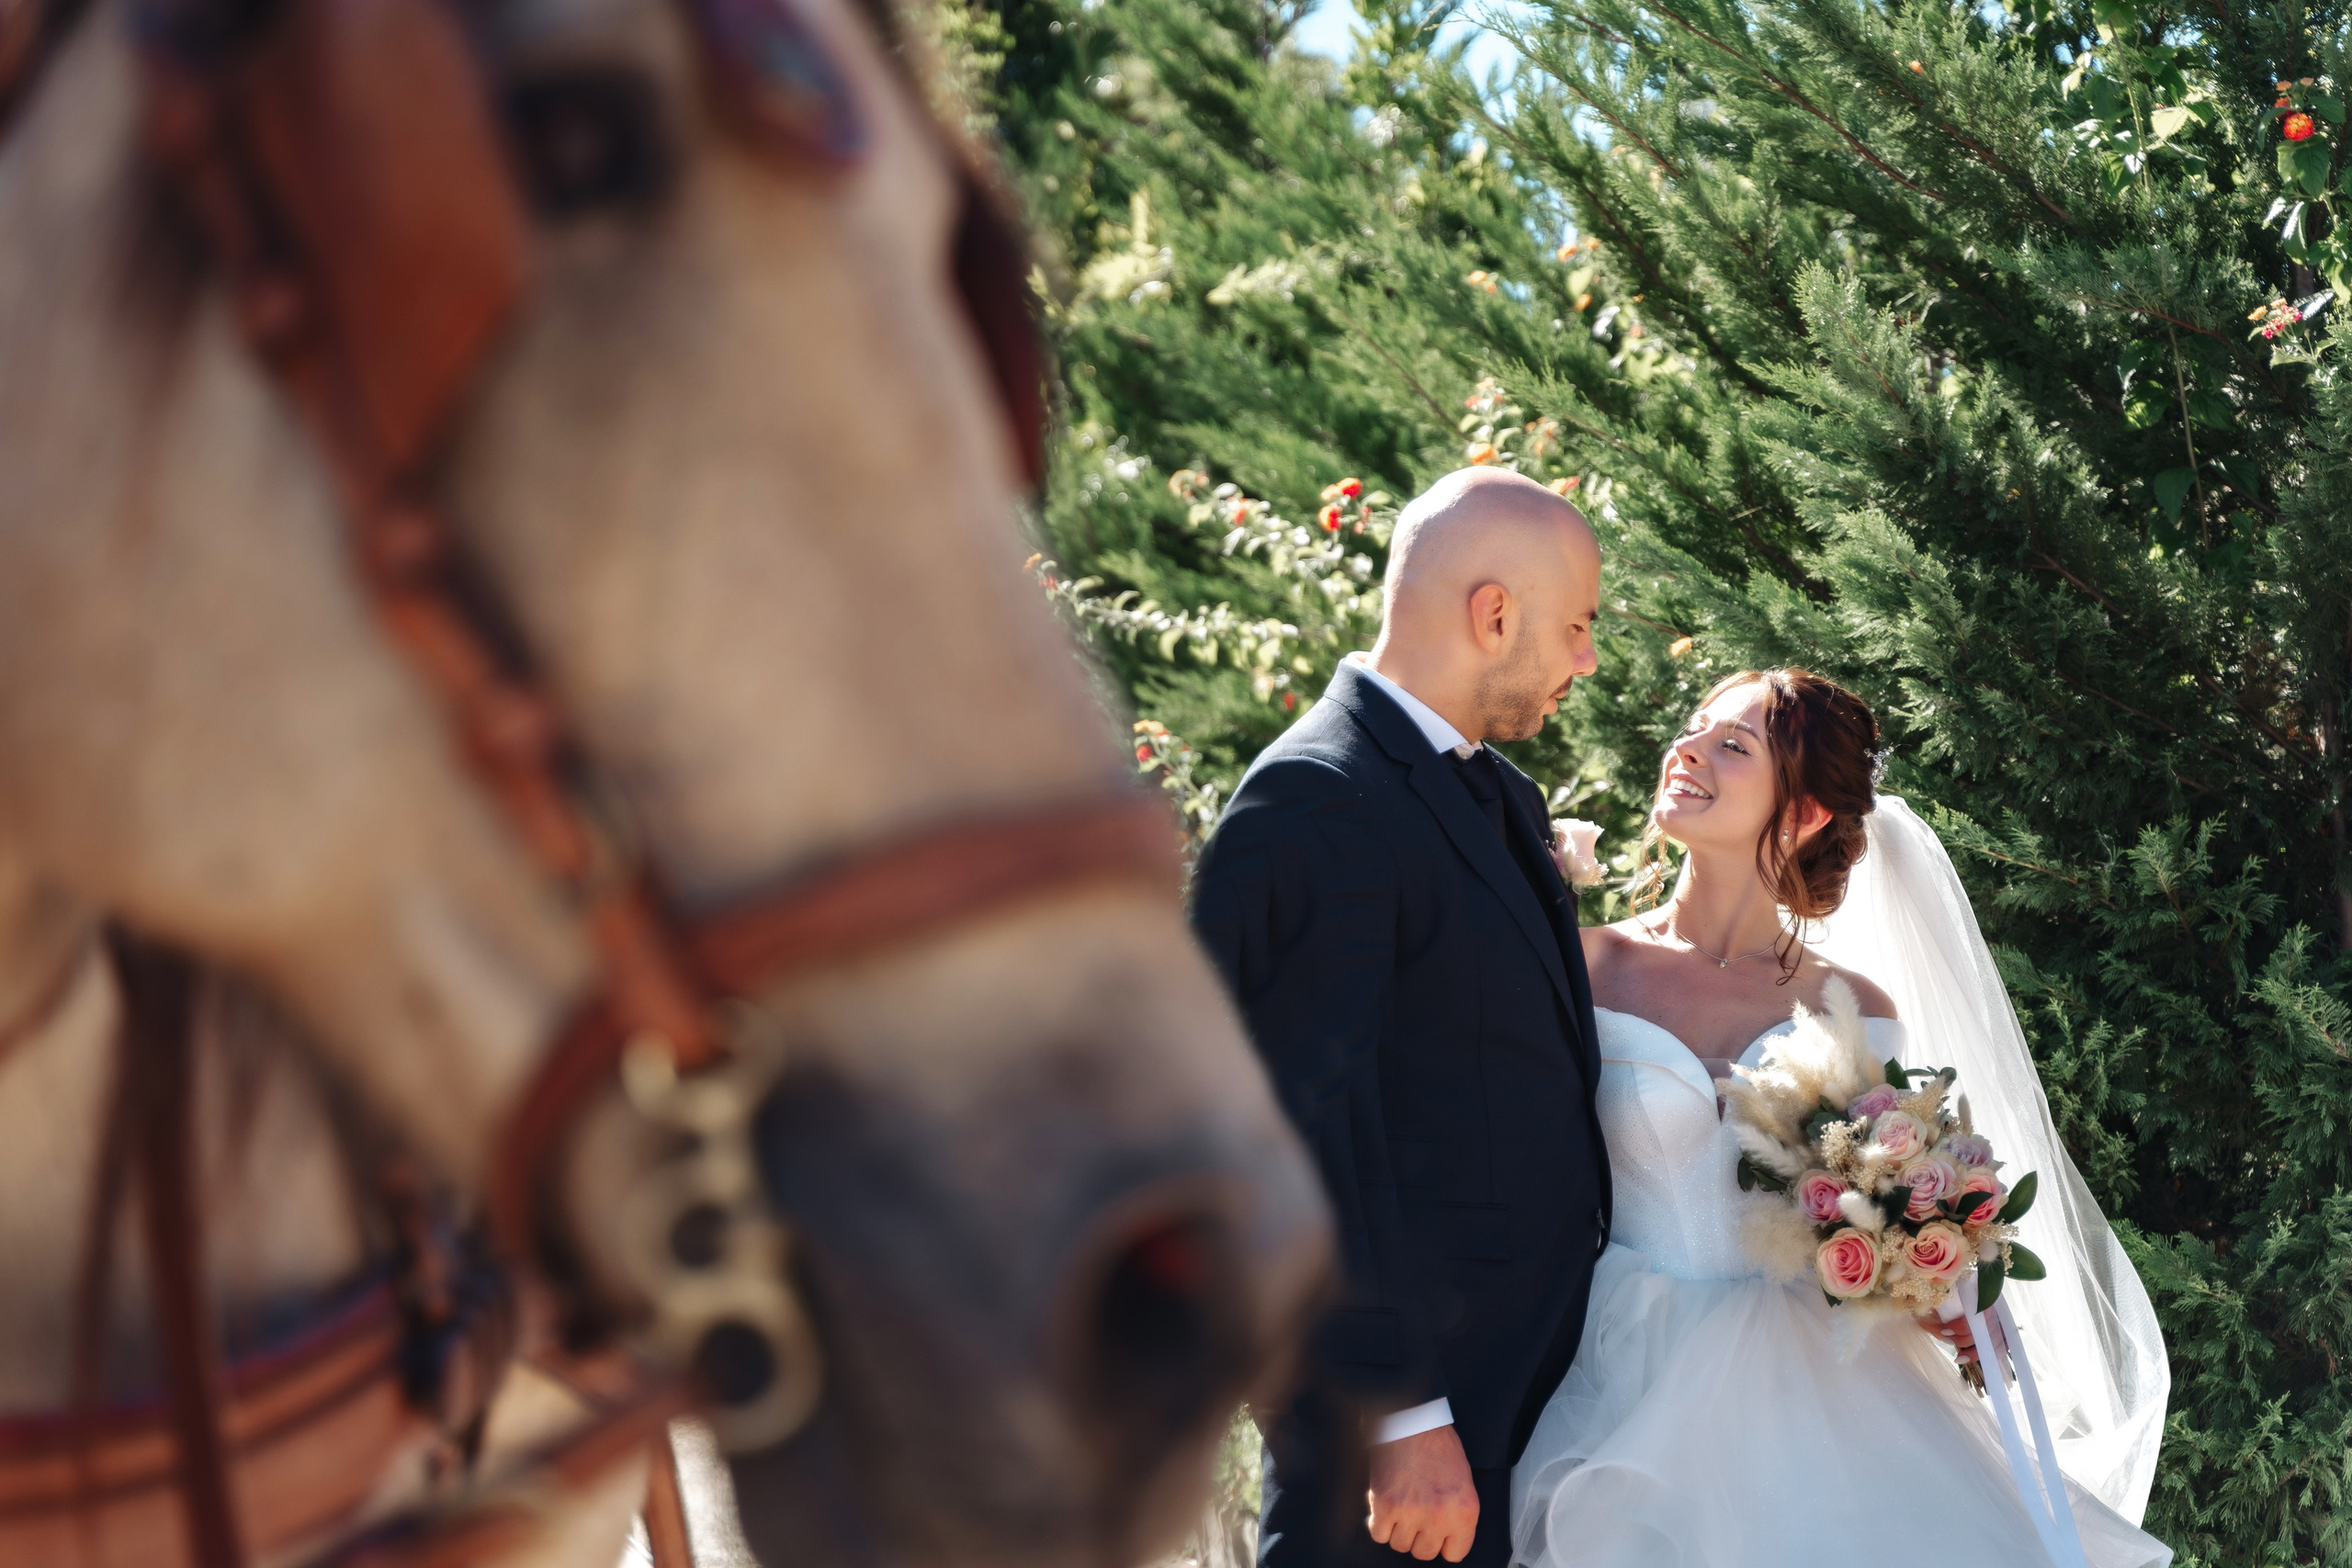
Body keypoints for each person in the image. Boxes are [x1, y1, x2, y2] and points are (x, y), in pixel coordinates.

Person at [1510, 668, 2173, 1568]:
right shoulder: (1582, 964)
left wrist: (1922, 1269)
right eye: (1694, 728)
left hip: (1825, 1395)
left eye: (1732, 745)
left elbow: (1878, 1185)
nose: (1688, 749)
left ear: (1805, 813)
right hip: (1613, 1372)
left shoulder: (1850, 1002)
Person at [1190, 468, 1607, 1568]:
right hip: (1405, 1444)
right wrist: (1401, 1417)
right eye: (1574, 628)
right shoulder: (1314, 800)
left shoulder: (1501, 796)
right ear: (1494, 614)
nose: (1585, 661)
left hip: (1518, 1402)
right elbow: (1288, 1135)